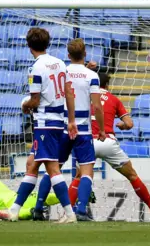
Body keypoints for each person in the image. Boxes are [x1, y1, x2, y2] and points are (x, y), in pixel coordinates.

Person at [0, 28, 77, 223]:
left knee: (53, 169)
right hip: (57, 120)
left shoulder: (36, 68)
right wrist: (71, 120)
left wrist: (24, 105)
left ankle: (70, 214)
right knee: (32, 164)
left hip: (45, 122)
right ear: (47, 44)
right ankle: (13, 211)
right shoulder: (60, 63)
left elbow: (35, 100)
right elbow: (69, 94)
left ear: (29, 47)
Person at [68, 72, 150, 221]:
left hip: (89, 142)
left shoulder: (85, 97)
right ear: (107, 85)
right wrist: (122, 126)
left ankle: (69, 211)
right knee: (132, 175)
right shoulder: (114, 99)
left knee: (80, 176)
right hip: (108, 142)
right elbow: (129, 124)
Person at [32, 39, 103, 222]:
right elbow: (97, 106)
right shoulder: (91, 76)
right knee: (87, 171)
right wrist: (101, 130)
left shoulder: (62, 70)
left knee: (53, 169)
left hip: (62, 126)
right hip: (83, 129)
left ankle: (38, 208)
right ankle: (80, 210)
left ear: (68, 55)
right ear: (85, 54)